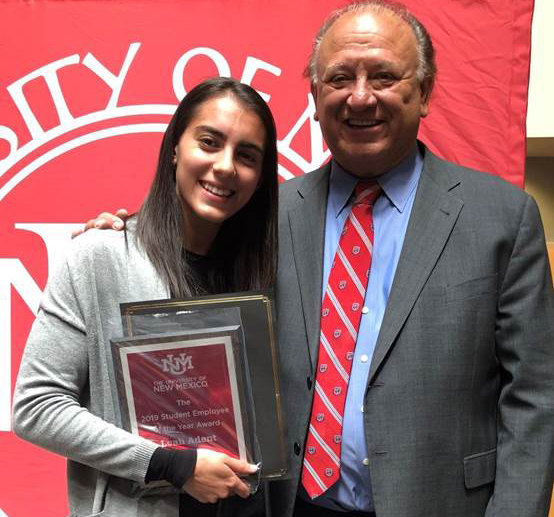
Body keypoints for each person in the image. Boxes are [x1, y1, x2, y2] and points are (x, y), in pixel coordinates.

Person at [77, 1, 554, 517]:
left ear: (425, 92)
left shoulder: (503, 219)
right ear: (314, 96)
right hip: (287, 506)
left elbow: (534, 400)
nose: (361, 96)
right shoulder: (264, 216)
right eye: (340, 78)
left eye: (385, 76)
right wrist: (129, 234)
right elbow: (190, 290)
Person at [12, 77, 279, 517]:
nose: (226, 166)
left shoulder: (273, 272)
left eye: (247, 156)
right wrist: (170, 464)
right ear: (175, 146)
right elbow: (36, 407)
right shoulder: (100, 257)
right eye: (209, 142)